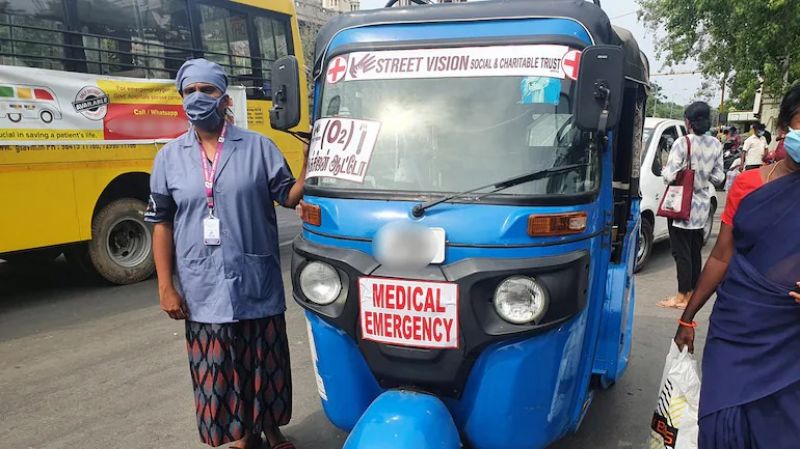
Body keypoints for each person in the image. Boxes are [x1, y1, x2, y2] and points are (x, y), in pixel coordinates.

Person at [145, 58, 306, 449]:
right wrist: (166, 286)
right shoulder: (169, 157)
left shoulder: (258, 147)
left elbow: (287, 196)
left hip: (255, 280)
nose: (198, 98)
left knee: (264, 364)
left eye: (208, 90)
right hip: (203, 288)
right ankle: (241, 435)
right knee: (220, 370)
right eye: (190, 91)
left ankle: (271, 428)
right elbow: (162, 223)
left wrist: (311, 162)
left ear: (224, 98)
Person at [673, 84, 800, 448]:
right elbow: (720, 256)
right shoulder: (746, 184)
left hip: (789, 336)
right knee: (718, 422)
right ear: (784, 128)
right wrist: (688, 316)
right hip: (735, 327)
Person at [657, 102, 724, 309]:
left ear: (688, 122)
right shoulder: (716, 144)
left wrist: (664, 171)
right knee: (695, 251)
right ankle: (692, 291)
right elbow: (718, 177)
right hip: (702, 207)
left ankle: (681, 296)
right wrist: (701, 177)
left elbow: (671, 175)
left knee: (681, 252)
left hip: (681, 206)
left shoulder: (682, 143)